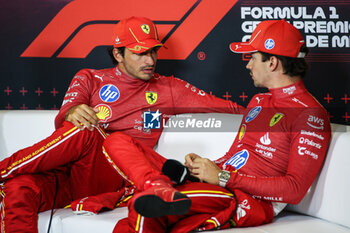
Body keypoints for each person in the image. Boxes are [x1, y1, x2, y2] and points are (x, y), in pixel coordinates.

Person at [0, 16, 242, 233]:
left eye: (154, 51)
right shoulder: (89, 78)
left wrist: (276, 113)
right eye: (140, 53)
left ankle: (3, 168)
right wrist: (72, 111)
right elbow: (65, 123)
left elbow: (229, 108)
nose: (150, 60)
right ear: (118, 54)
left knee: (87, 132)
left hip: (114, 176)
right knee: (19, 187)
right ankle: (7, 174)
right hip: (68, 176)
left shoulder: (170, 88)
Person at [103, 19, 331, 232]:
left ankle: (157, 189)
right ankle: (157, 184)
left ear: (272, 62)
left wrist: (222, 177)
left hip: (241, 198)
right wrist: (204, 168)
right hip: (219, 184)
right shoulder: (258, 101)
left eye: (252, 57)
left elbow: (294, 190)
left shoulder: (311, 114)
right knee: (116, 141)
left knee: (141, 209)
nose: (248, 65)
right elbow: (237, 156)